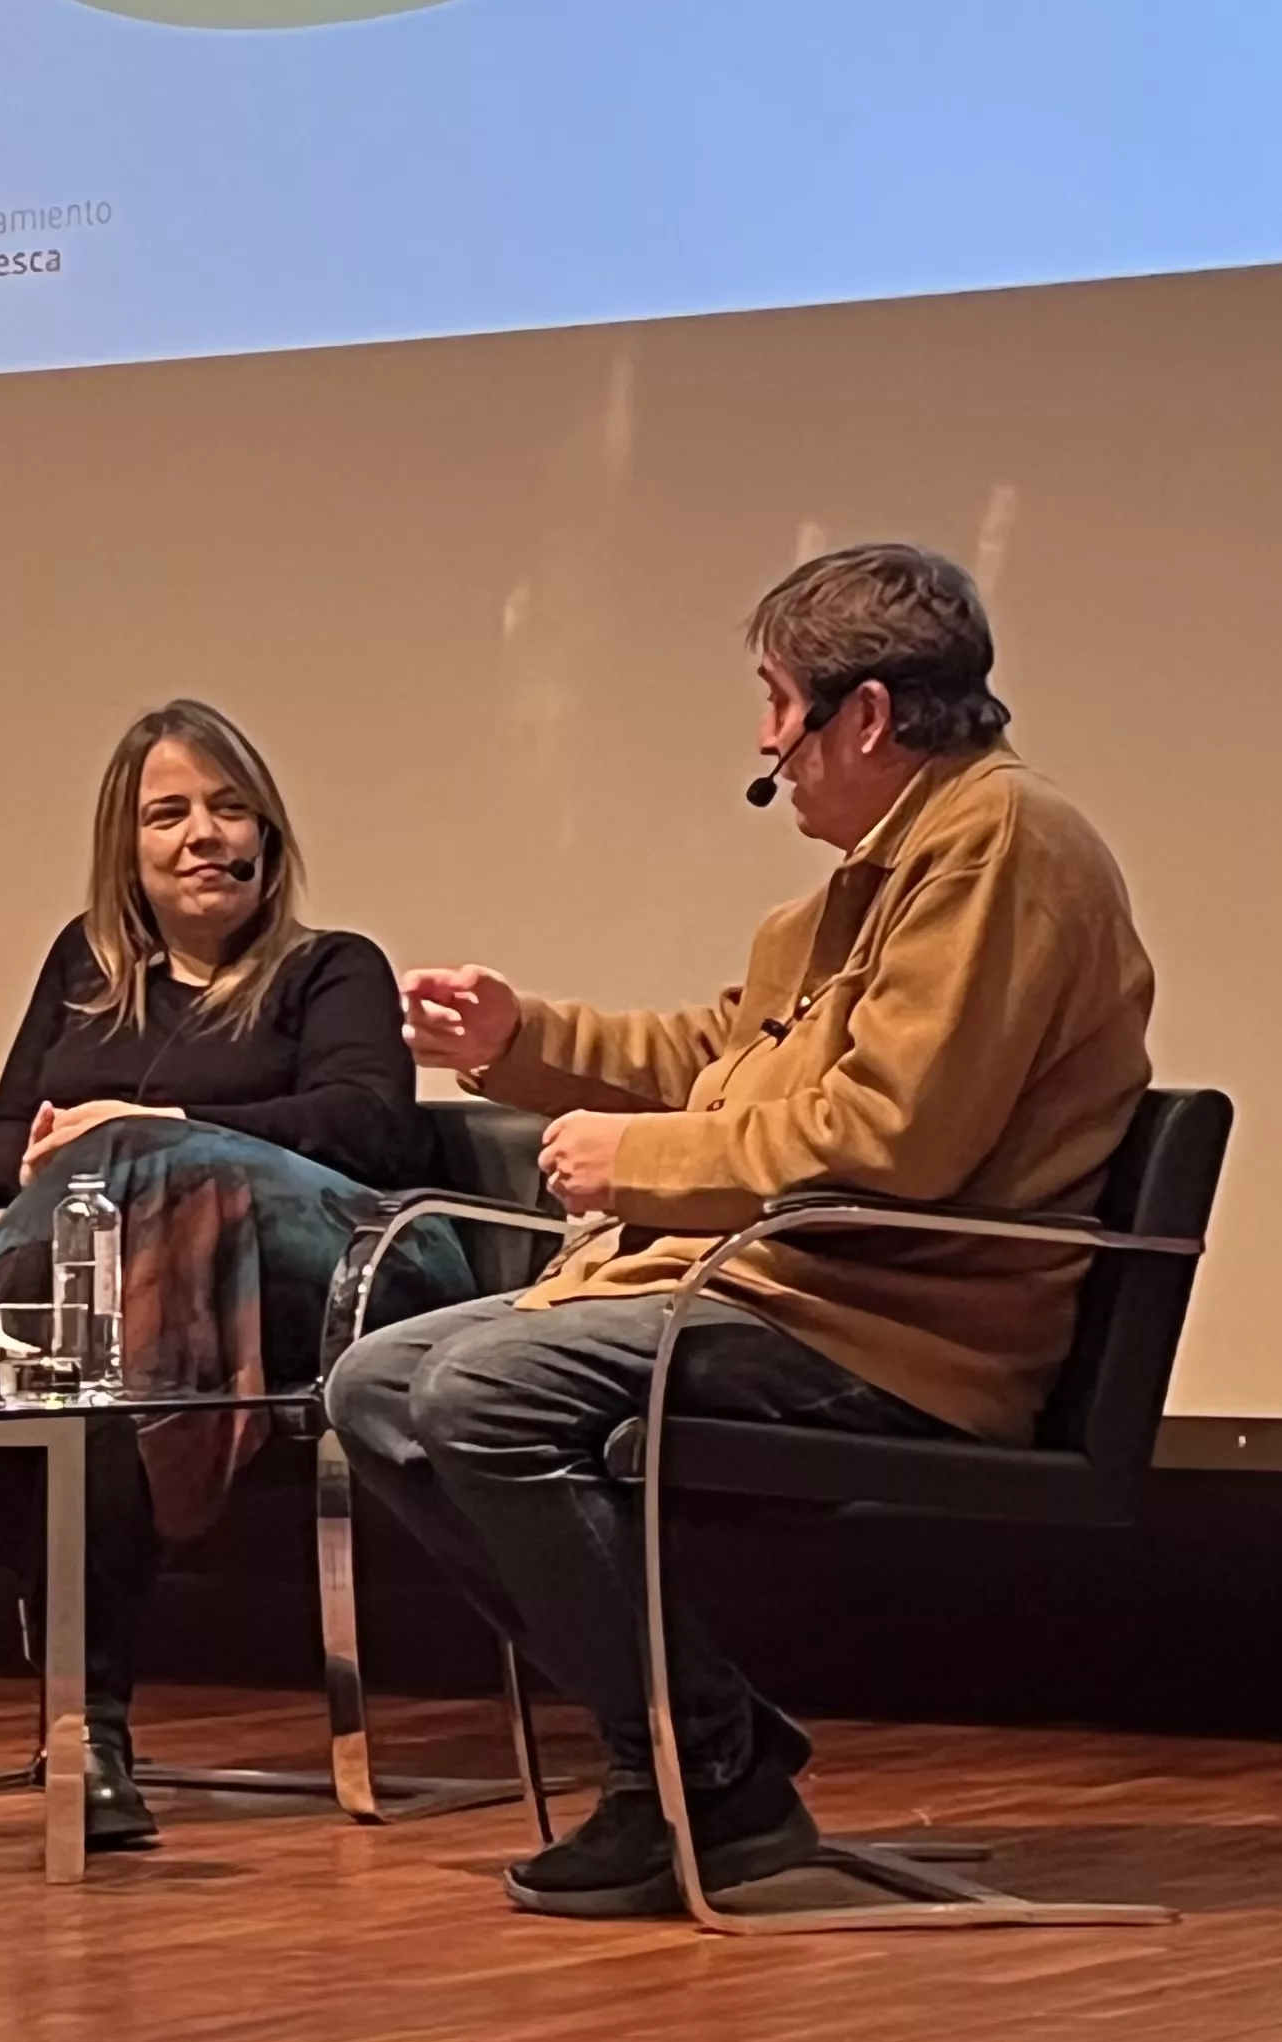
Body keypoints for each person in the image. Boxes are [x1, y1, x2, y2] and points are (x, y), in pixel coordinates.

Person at [329, 543, 1154, 1918]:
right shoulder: (875, 876)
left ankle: (699, 1773)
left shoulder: (997, 847)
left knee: (483, 1392)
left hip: (891, 1327)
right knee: (377, 1383)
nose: (768, 740)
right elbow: (722, 1050)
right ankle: (713, 1752)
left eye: (780, 702)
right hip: (788, 1291)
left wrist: (639, 1168)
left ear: (866, 716)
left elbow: (896, 1138)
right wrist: (523, 1039)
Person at [0, 699, 467, 1850]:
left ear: (269, 836)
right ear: (126, 850)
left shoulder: (330, 967)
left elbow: (370, 1125)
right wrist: (75, 1158)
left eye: (229, 809)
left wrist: (152, 1131)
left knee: (127, 1181)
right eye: (168, 814)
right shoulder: (85, 969)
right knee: (95, 1383)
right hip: (145, 1299)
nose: (203, 835)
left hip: (349, 1273)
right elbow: (3, 1142)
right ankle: (91, 1741)